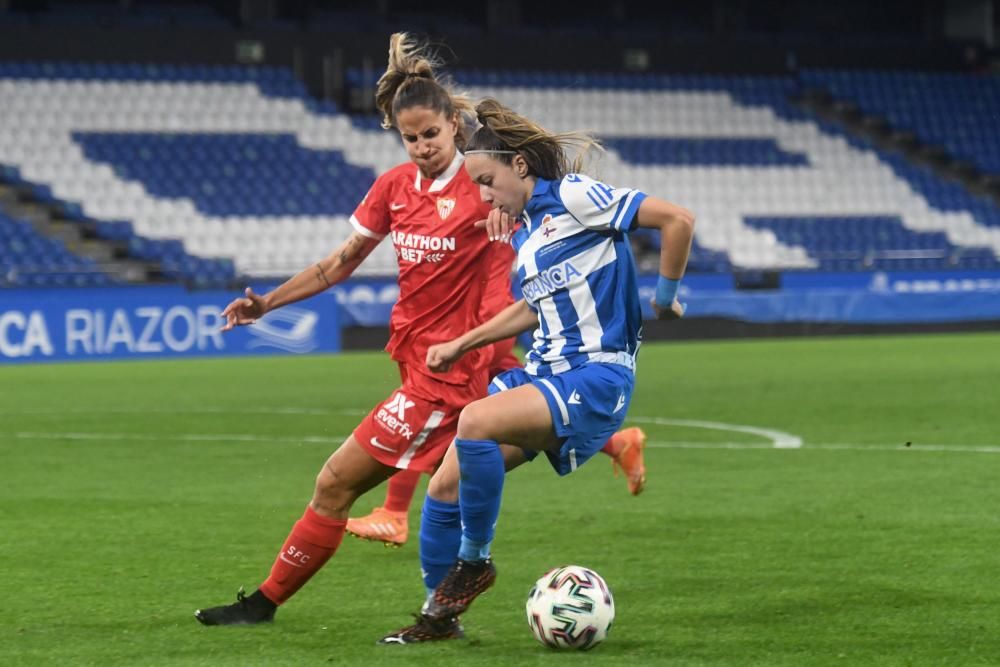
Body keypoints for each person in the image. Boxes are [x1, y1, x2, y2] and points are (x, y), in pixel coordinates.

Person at [193, 34, 645, 627]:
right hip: (423, 364)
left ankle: (265, 604)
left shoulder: (488, 190)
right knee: (445, 492)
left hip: (451, 378)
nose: (423, 147)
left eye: (432, 134)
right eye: (410, 138)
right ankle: (443, 611)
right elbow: (341, 261)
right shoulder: (395, 189)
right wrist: (267, 304)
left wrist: (508, 233)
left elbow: (532, 248)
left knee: (335, 482)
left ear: (455, 126)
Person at [379, 98, 694, 643]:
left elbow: (677, 220)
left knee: (473, 420)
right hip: (546, 374)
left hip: (595, 376)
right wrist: (463, 342)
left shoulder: (574, 196)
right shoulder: (527, 230)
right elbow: (533, 307)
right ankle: (438, 618)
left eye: (486, 180)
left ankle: (475, 562)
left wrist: (664, 298)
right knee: (446, 483)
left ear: (518, 166)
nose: (482, 196)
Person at [345, 239, 649, 548]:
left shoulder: (485, 206)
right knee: (514, 406)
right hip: (490, 315)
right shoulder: (503, 208)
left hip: (475, 320)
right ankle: (618, 444)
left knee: (429, 406)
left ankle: (396, 513)